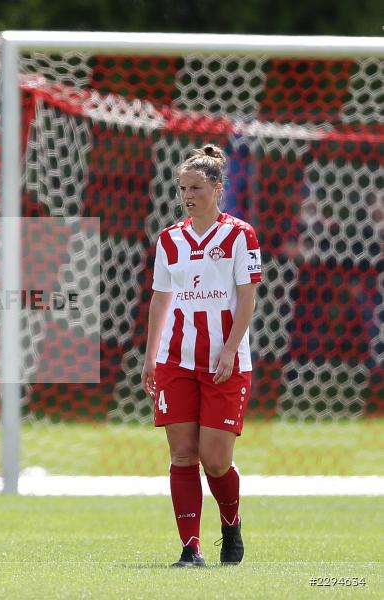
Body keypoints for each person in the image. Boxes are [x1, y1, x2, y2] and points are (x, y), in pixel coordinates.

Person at [141, 144, 261, 567]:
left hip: (225, 363)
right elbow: (160, 299)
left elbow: (246, 298)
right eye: (182, 189)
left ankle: (231, 523)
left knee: (215, 460)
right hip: (176, 360)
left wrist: (230, 348)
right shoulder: (169, 240)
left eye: (195, 187)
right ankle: (190, 548)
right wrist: (150, 355)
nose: (188, 195)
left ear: (217, 187)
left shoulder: (240, 234)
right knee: (182, 454)